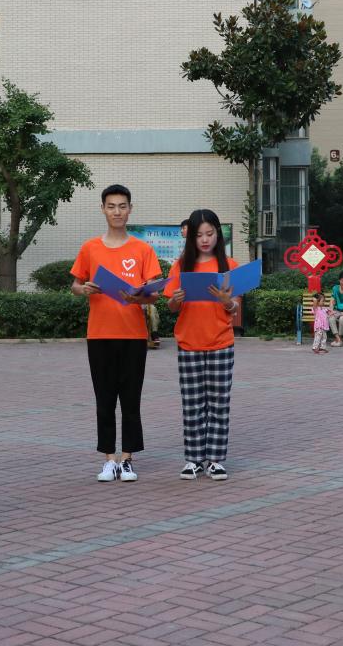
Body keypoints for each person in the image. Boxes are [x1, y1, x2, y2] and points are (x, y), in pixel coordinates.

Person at [70, 184, 162, 483]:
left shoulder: (142, 249)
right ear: (103, 209)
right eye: (111, 206)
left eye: (122, 206)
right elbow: (75, 284)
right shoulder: (90, 248)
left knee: (131, 399)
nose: (117, 211)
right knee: (105, 398)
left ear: (130, 209)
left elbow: (155, 292)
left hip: (134, 335)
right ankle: (109, 459)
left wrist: (140, 296)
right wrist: (84, 289)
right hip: (99, 335)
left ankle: (128, 459)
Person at [165, 209, 240, 480]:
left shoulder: (229, 266)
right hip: (189, 342)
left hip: (221, 342)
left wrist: (227, 301)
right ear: (191, 238)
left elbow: (235, 308)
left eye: (210, 233)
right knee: (192, 404)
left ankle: (216, 460)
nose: (205, 240)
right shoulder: (181, 266)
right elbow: (171, 306)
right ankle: (194, 459)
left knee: (219, 403)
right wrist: (175, 299)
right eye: (199, 235)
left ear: (218, 234)